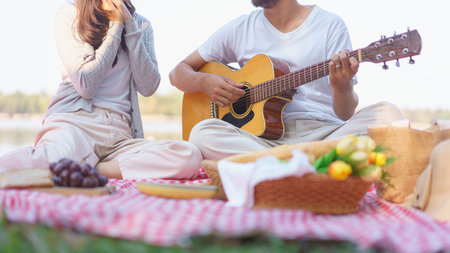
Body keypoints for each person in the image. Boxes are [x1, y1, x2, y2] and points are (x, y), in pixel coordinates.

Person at [170, 0, 405, 161]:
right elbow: (178, 73)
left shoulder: (330, 25)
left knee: (389, 116)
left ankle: (279, 165)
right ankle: (308, 164)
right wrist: (204, 82)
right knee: (202, 132)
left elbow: (345, 114)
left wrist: (341, 85)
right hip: (260, 141)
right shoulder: (240, 28)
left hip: (324, 135)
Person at [0, 0, 202, 180]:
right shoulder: (71, 14)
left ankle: (89, 168)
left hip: (120, 136)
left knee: (188, 156)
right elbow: (86, 84)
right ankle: (74, 163)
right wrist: (116, 25)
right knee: (54, 158)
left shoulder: (142, 25)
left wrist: (130, 25)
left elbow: (148, 87)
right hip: (75, 124)